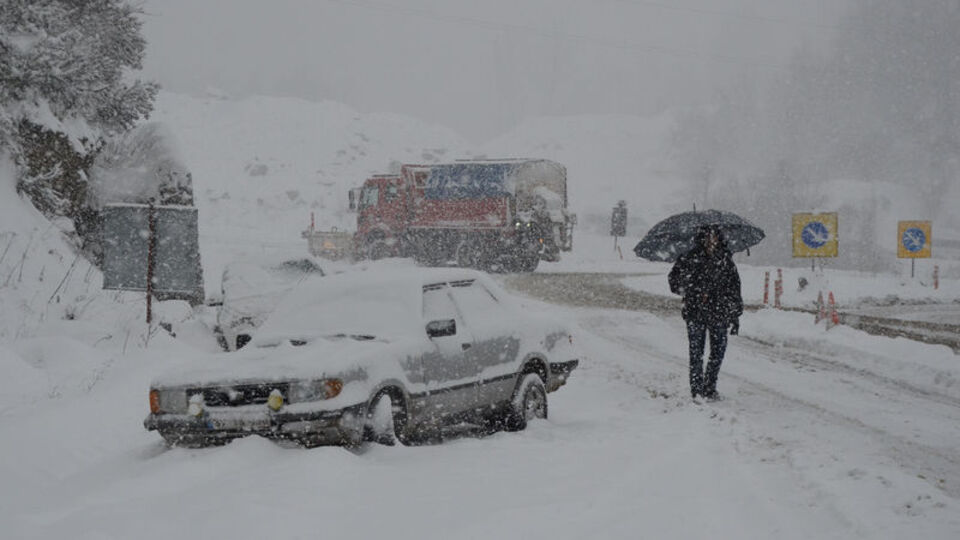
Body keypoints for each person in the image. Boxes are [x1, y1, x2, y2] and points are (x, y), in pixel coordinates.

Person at [668, 224, 743, 400]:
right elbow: (674, 281)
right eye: (707, 236)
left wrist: (735, 313)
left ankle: (710, 386)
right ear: (701, 238)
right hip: (695, 312)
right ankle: (696, 390)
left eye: (714, 236)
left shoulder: (725, 260)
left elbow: (734, 288)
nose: (711, 240)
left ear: (719, 238)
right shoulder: (689, 258)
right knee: (696, 353)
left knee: (718, 352)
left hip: (719, 313)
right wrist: (692, 289)